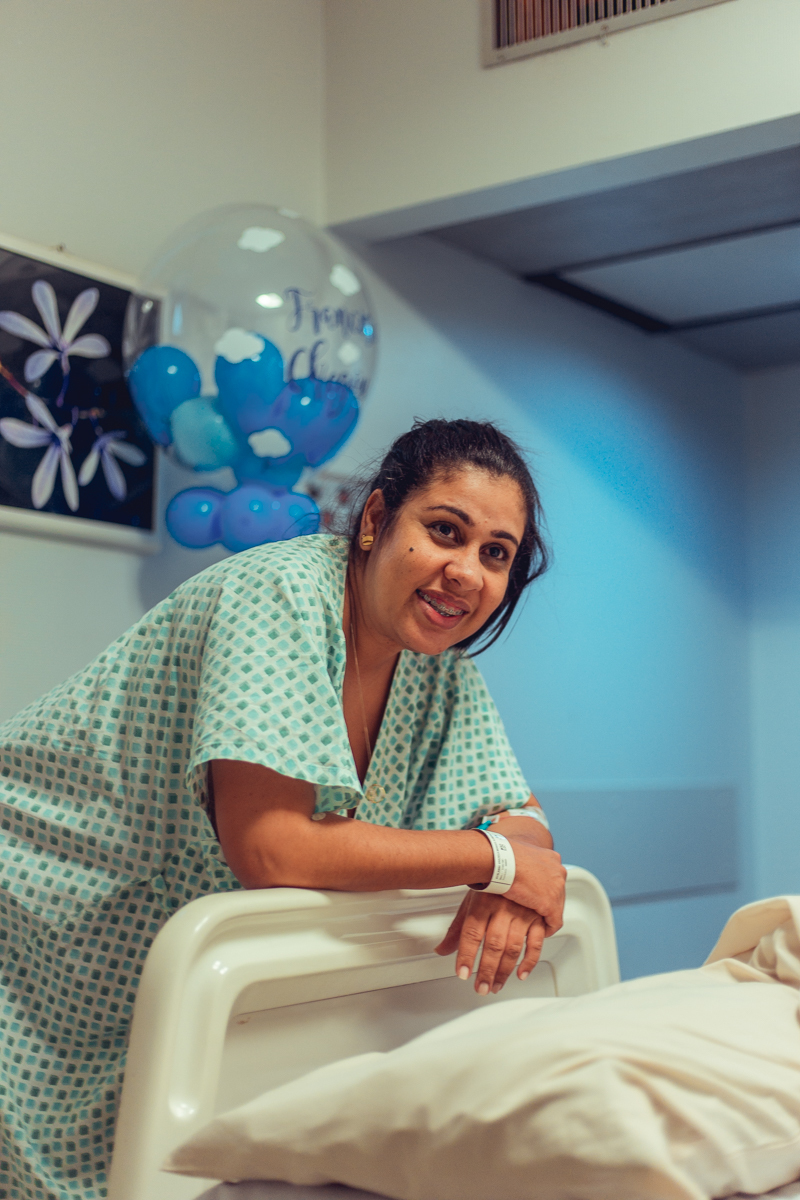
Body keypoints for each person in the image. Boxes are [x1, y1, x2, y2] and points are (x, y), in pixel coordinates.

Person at [0, 417, 566, 1199]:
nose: (466, 572)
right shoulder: (278, 595)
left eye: (495, 554)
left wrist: (513, 876)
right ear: (375, 519)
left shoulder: (437, 669)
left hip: (139, 956)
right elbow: (272, 849)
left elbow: (519, 814)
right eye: (445, 531)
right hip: (33, 910)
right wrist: (496, 862)